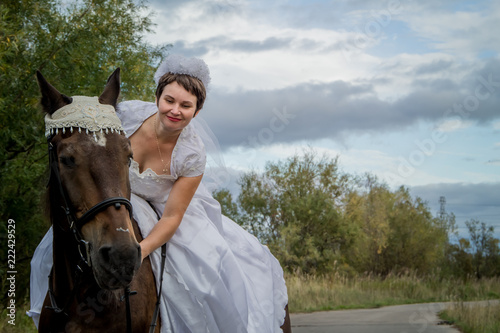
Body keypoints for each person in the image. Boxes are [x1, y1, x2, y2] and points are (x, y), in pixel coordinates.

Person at [28, 54, 289, 332]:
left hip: (168, 210)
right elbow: (91, 143)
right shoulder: (125, 115)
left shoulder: (192, 154)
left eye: (186, 106)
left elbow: (173, 217)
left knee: (206, 282)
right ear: (157, 98)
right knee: (56, 250)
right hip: (118, 197)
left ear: (196, 112)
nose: (175, 110)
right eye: (170, 101)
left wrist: (140, 251)